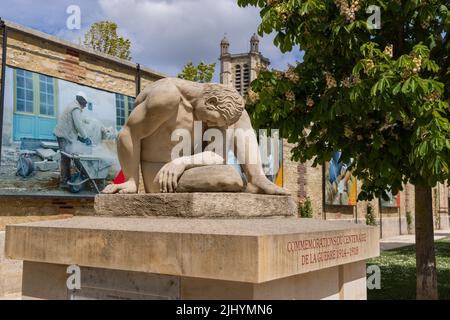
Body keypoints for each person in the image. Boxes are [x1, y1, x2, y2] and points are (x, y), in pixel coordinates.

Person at [102, 78, 287, 195]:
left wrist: (182, 162)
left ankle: (257, 179)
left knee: (241, 114)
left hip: (185, 166)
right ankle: (132, 182)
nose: (217, 126)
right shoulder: (167, 96)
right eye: (217, 120)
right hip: (162, 175)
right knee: (229, 178)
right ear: (211, 102)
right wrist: (131, 181)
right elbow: (127, 134)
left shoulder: (210, 109)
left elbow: (216, 156)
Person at [54, 91, 92, 186]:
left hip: (63, 135)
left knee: (66, 158)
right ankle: (64, 181)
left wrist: (79, 138)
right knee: (66, 158)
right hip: (63, 136)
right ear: (82, 101)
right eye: (84, 104)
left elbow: (72, 127)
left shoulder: (72, 105)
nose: (85, 106)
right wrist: (86, 137)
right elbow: (78, 126)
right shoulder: (75, 108)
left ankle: (66, 179)